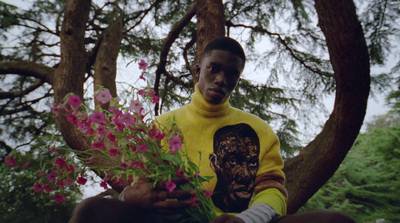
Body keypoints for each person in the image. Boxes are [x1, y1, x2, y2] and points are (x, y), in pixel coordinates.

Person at [69, 36, 355, 223]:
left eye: (232, 74)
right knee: (90, 212)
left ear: (237, 81)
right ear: (197, 71)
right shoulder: (161, 126)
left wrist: (246, 220)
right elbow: (142, 185)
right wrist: (129, 196)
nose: (221, 79)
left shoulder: (259, 130)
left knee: (335, 222)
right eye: (213, 69)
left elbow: (274, 192)